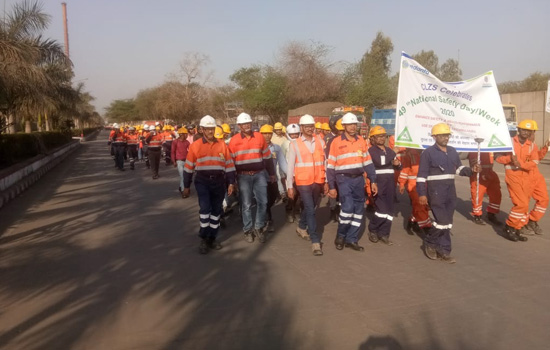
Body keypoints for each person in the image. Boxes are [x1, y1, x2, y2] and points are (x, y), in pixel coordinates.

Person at [417, 123, 481, 263]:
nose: (446, 138)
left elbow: (458, 169)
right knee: (442, 221)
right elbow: (421, 176)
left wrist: (472, 171)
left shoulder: (452, 151)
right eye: (442, 135)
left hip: (450, 192)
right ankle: (430, 242)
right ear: (434, 137)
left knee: (447, 223)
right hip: (435, 192)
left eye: (447, 135)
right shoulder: (427, 153)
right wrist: (422, 194)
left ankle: (444, 251)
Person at [183, 116, 236, 254]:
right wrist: (186, 186)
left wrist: (231, 182)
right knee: (205, 209)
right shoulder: (196, 145)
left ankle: (212, 237)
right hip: (203, 181)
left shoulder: (222, 145)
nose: (210, 131)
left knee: (216, 211)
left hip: (219, 182)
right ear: (202, 130)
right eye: (207, 129)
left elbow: (229, 165)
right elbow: (188, 167)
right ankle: (204, 237)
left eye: (212, 129)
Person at [327, 113, 377, 252]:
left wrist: (373, 180)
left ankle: (352, 239)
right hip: (343, 179)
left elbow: (367, 162)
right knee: (348, 208)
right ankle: (341, 236)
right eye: (350, 124)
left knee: (359, 210)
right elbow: (330, 165)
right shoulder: (336, 142)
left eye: (355, 124)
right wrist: (331, 185)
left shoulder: (361, 141)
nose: (353, 126)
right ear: (344, 126)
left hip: (358, 179)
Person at [229, 112, 276, 243]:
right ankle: (247, 229)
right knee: (246, 204)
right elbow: (230, 163)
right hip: (243, 177)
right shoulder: (234, 141)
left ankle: (259, 227)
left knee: (263, 202)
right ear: (239, 126)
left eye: (248, 123)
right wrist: (232, 181)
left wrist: (272, 173)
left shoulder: (259, 138)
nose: (247, 125)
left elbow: (267, 158)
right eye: (244, 124)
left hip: (259, 174)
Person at [286, 115, 327, 255]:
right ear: (301, 128)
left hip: (318, 180)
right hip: (303, 182)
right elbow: (290, 166)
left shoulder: (320, 142)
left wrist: (327, 181)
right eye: (307, 126)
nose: (310, 128)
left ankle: (301, 226)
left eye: (312, 126)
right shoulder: (294, 144)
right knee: (310, 208)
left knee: (312, 207)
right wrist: (289, 186)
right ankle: (315, 241)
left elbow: (325, 162)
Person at [495, 119, 540, 241]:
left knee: (524, 206)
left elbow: (535, 162)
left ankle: (517, 228)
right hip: (513, 176)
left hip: (526, 177)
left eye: (529, 131)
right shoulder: (508, 142)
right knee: (521, 204)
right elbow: (497, 157)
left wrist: (522, 165)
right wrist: (509, 158)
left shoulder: (531, 146)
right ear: (518, 130)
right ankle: (509, 227)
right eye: (524, 129)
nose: (526, 132)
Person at [367, 126, 401, 245]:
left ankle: (384, 233)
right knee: (381, 210)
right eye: (379, 136)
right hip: (378, 183)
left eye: (383, 136)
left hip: (390, 183)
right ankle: (373, 229)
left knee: (389, 211)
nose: (382, 138)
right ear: (373, 138)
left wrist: (397, 163)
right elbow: (380, 162)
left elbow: (396, 165)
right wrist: (393, 153)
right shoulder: (371, 151)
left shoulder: (388, 150)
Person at [261, 124, 288, 232]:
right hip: (260, 179)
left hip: (272, 179)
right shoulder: (257, 148)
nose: (267, 136)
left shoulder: (276, 148)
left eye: (269, 133)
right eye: (264, 133)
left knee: (272, 199)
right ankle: (267, 220)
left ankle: (266, 215)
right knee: (264, 200)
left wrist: (290, 176)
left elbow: (282, 162)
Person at [398, 148, 431, 234]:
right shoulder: (410, 154)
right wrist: (402, 184)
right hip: (414, 185)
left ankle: (412, 222)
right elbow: (405, 170)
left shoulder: (429, 152)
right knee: (420, 205)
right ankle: (427, 228)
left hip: (427, 184)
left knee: (423, 206)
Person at [523, 131, 549, 235]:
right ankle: (521, 224)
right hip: (525, 176)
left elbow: (538, 158)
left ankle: (532, 220)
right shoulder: (518, 146)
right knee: (523, 203)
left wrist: (545, 147)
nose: (532, 136)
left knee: (544, 200)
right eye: (530, 133)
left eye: (533, 133)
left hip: (536, 177)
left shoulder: (533, 146)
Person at [467, 152, 502, 225]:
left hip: (490, 172)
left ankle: (491, 213)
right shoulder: (476, 145)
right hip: (479, 173)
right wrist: (478, 169)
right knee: (477, 195)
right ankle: (477, 215)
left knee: (496, 194)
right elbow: (473, 160)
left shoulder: (490, 147)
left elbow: (497, 155)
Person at [324, 117, 344, 222]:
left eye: (343, 130)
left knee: (342, 195)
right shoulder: (331, 141)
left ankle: (341, 213)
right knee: (333, 193)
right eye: (340, 130)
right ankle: (333, 212)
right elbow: (328, 159)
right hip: (334, 171)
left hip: (345, 174)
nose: (342, 132)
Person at [285, 123, 302, 223]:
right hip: (289, 174)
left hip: (300, 173)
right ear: (288, 134)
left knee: (299, 196)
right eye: (292, 134)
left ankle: (296, 212)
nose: (294, 136)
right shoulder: (285, 145)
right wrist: (287, 175)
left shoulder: (301, 143)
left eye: (296, 134)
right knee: (291, 195)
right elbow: (282, 160)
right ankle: (289, 211)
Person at [172, 127, 190, 196]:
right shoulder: (175, 142)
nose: (186, 135)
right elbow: (173, 152)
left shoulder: (187, 142)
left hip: (186, 161)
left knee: (186, 176)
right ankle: (183, 191)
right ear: (181, 134)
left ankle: (181, 186)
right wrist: (174, 161)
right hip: (179, 161)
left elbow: (191, 151)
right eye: (185, 134)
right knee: (182, 176)